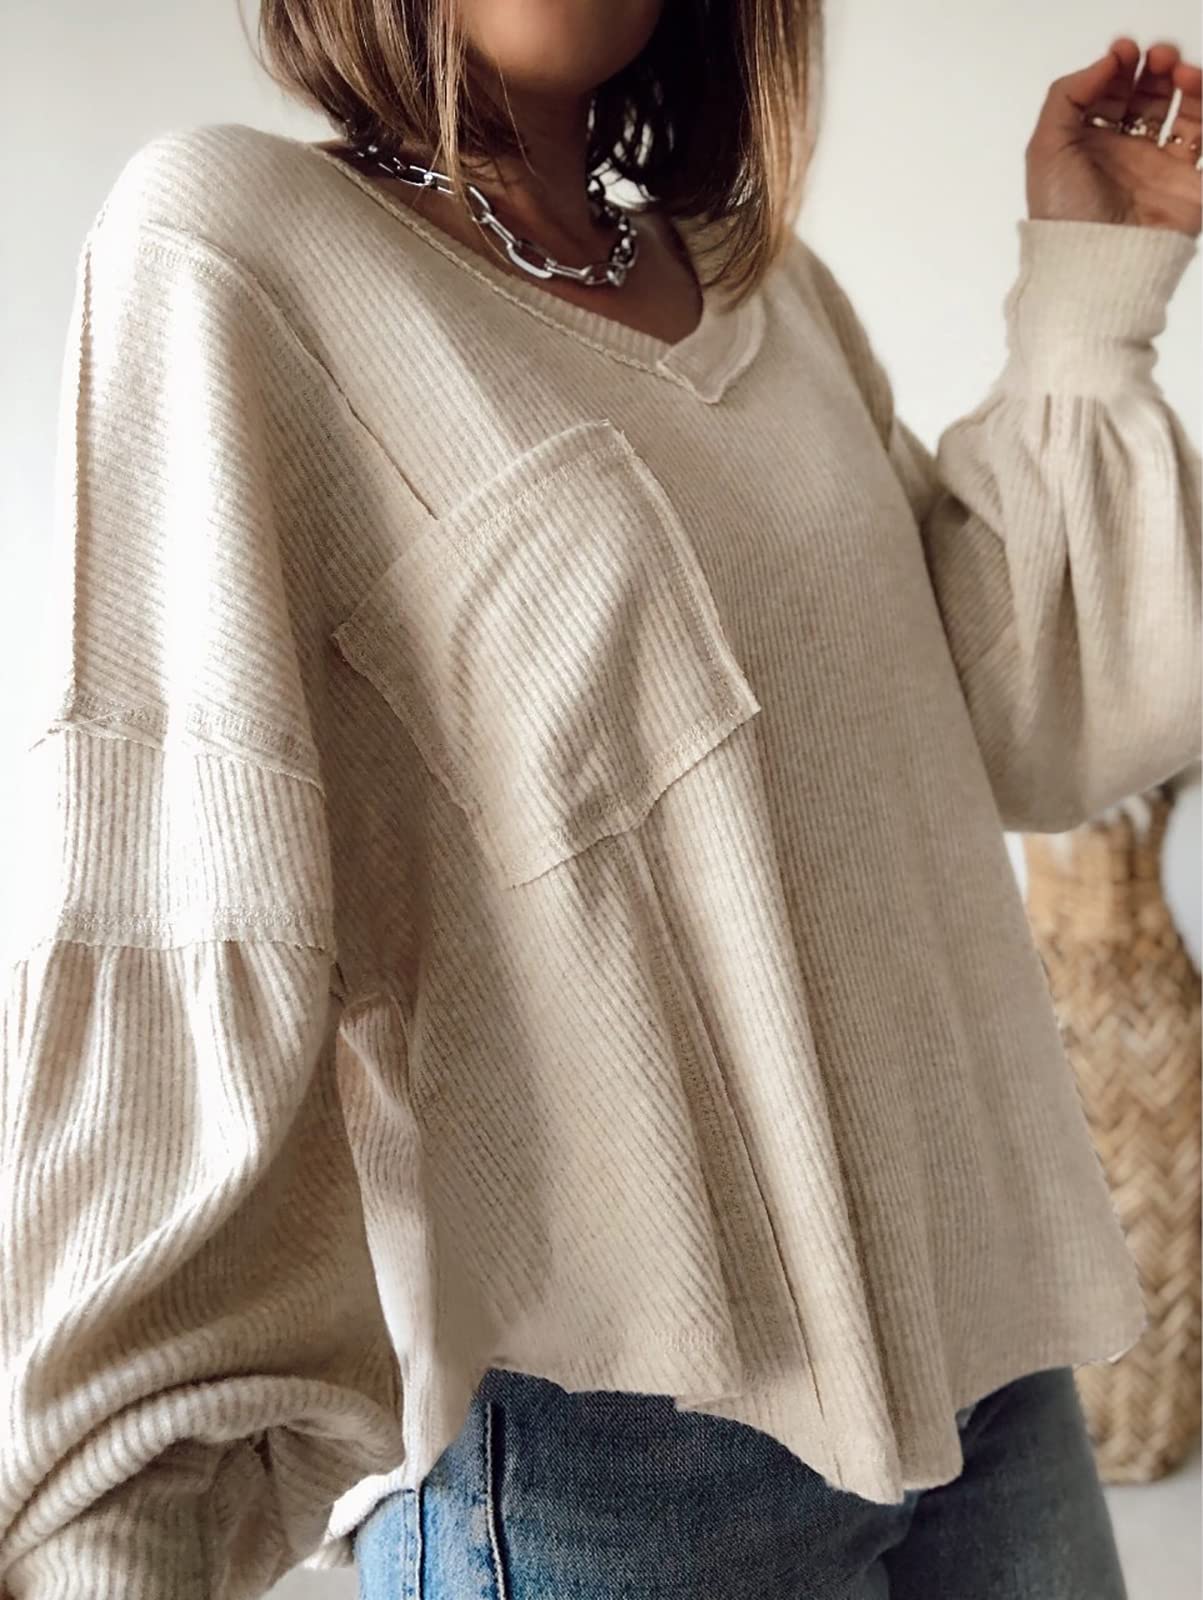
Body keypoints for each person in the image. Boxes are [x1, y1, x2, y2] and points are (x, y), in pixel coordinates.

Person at [1, 3, 1199, 1596]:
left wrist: (1091, 300)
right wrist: (109, 1531)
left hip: (990, 1348)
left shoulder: (766, 284)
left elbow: (1017, 729)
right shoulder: (239, 246)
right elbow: (167, 891)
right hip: (606, 1464)